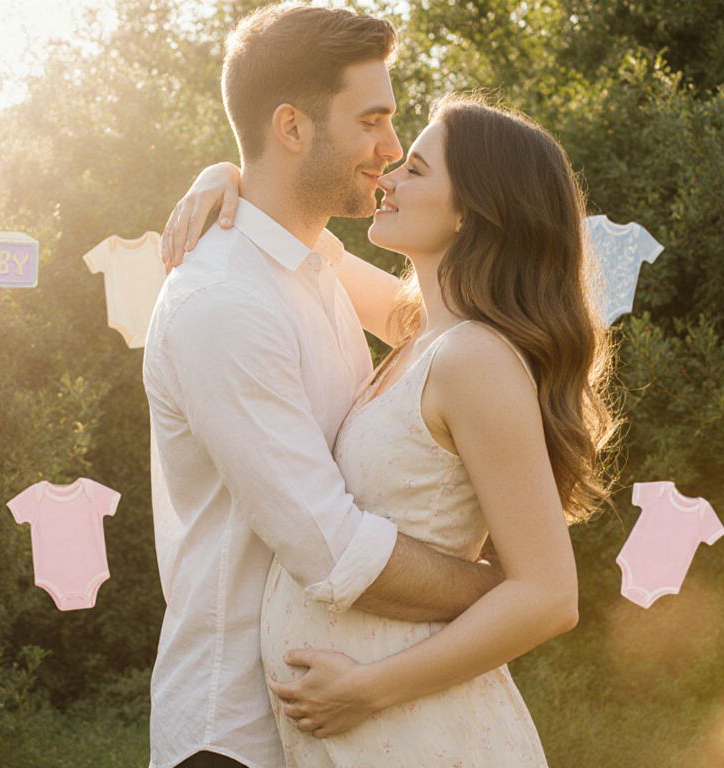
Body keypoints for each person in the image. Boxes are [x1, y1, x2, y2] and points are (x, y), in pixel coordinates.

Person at [164, 93, 616, 766]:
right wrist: (225, 177)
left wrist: (371, 689)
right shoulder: (420, 334)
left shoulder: (474, 359)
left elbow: (549, 597)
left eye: (416, 170)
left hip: (419, 728)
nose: (388, 179)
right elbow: (296, 237)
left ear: (470, 211)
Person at [142, 6, 508, 768]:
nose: (392, 148)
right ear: (292, 127)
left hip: (328, 724)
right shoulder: (225, 304)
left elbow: (442, 334)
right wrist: (502, 595)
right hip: (237, 731)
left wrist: (231, 171)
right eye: (371, 120)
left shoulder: (315, 270)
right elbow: (332, 550)